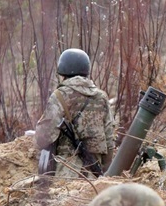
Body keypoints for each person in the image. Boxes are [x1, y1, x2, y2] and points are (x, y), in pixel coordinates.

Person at [36, 48, 115, 178]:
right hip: (95, 171)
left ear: (62, 70)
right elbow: (109, 140)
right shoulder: (101, 97)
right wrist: (104, 171)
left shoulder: (59, 96)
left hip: (67, 172)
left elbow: (43, 138)